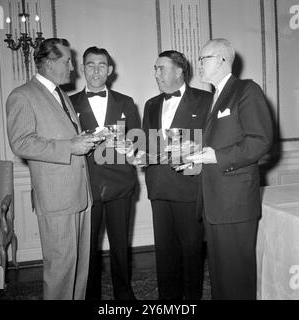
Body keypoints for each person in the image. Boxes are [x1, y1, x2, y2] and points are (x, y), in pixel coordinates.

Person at [6, 38, 98, 300]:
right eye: (66, 61)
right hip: (56, 198)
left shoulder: (61, 95)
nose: (72, 67)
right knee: (60, 270)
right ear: (48, 62)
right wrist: (70, 146)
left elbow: (62, 136)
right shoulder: (22, 95)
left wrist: (85, 142)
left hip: (79, 194)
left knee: (79, 269)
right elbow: (21, 143)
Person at [187, 38, 273, 299]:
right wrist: (196, 150)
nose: (198, 64)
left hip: (234, 204)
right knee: (221, 278)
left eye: (204, 59)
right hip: (215, 203)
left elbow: (261, 140)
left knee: (236, 279)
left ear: (222, 60)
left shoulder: (246, 90)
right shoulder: (216, 96)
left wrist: (217, 157)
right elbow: (221, 141)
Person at [70, 47, 140, 300]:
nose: (96, 70)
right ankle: (91, 295)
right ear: (82, 68)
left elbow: (137, 142)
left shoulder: (126, 102)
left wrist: (130, 145)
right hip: (86, 186)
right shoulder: (69, 103)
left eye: (102, 65)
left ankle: (124, 294)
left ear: (110, 70)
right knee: (88, 249)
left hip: (121, 184)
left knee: (121, 245)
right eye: (90, 65)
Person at [142, 50, 211, 300]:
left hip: (189, 188)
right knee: (165, 253)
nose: (156, 74)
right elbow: (148, 146)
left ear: (180, 71)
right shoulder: (151, 104)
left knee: (192, 252)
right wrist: (137, 155)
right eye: (155, 68)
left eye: (161, 68)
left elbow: (213, 143)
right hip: (159, 188)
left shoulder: (206, 100)